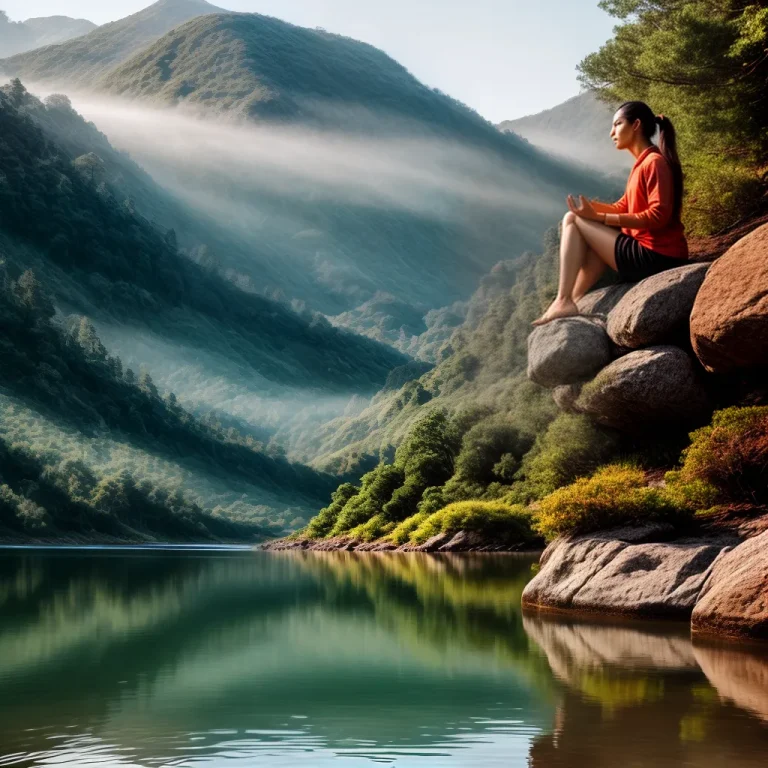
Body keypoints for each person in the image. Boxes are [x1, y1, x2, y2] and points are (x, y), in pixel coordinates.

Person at [533, 101, 688, 326]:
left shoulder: (654, 163)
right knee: (581, 222)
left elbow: (658, 216)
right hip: (653, 254)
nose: (611, 132)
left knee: (571, 219)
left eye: (617, 124)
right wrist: (591, 210)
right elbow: (623, 206)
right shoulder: (643, 163)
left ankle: (563, 299)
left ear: (636, 125)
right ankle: (573, 299)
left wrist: (601, 218)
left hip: (657, 257)